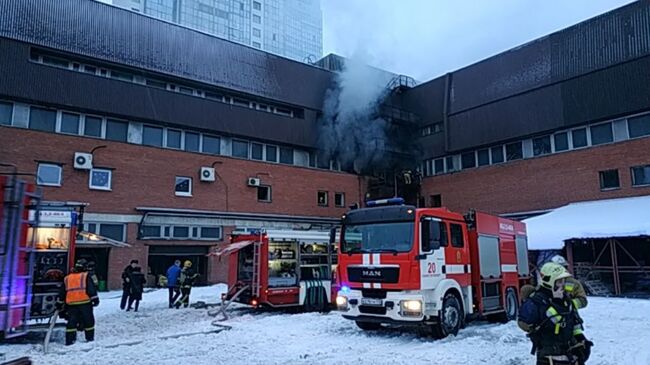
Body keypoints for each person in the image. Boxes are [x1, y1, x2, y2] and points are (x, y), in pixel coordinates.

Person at [518, 262, 593, 365]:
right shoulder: (537, 301)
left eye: (563, 281)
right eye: (559, 282)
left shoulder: (566, 300)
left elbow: (573, 321)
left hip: (569, 356)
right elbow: (524, 323)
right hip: (549, 357)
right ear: (549, 281)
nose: (563, 285)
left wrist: (580, 338)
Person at [56, 259, 100, 346]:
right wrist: (95, 299)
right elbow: (91, 288)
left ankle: (70, 340)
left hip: (71, 304)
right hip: (85, 303)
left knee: (72, 322)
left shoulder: (67, 278)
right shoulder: (86, 276)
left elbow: (62, 292)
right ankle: (89, 338)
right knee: (88, 321)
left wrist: (60, 303)